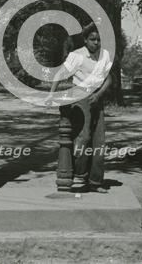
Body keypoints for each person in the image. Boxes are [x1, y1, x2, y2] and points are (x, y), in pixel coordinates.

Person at [44, 23, 113, 193]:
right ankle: (75, 172)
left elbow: (109, 78)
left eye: (98, 40)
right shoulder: (77, 55)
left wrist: (99, 94)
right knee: (83, 138)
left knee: (99, 141)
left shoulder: (104, 55)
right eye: (92, 39)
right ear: (85, 40)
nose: (96, 43)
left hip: (97, 99)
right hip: (80, 97)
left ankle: (95, 182)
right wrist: (51, 95)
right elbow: (60, 73)